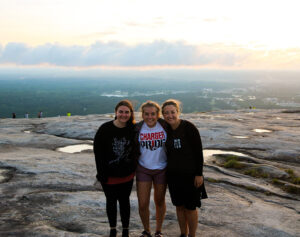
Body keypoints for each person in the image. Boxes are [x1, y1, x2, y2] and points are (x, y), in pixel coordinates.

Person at [161, 99, 207, 237]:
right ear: (163, 115)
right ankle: (183, 233)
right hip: (173, 176)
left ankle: (191, 235)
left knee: (190, 207)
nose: (170, 116)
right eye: (166, 113)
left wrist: (199, 174)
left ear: (178, 112)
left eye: (172, 112)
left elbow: (198, 152)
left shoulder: (189, 127)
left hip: (190, 175)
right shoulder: (165, 129)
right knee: (179, 206)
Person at [93, 100, 137, 237]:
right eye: (121, 112)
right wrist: (101, 173)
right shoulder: (105, 129)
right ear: (116, 112)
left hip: (127, 175)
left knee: (125, 201)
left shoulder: (133, 129)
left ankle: (125, 229)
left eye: (126, 112)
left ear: (131, 113)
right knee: (111, 202)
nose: (124, 115)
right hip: (109, 175)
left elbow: (136, 151)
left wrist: (133, 167)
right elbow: (98, 152)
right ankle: (113, 228)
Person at [135, 101, 168, 237]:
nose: (150, 117)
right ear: (142, 115)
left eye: (153, 114)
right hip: (143, 168)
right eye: (146, 114)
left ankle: (158, 231)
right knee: (143, 203)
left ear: (158, 114)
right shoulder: (137, 128)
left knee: (159, 201)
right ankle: (146, 230)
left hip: (162, 168)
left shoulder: (165, 126)